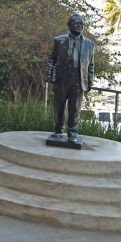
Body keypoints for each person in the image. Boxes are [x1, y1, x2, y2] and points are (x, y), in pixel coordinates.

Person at [47, 13, 95, 144]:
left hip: (78, 81)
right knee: (59, 107)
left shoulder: (89, 44)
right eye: (76, 24)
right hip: (62, 80)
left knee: (75, 109)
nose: (79, 26)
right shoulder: (59, 40)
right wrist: (50, 76)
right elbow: (51, 59)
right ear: (69, 26)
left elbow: (91, 65)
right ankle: (57, 130)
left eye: (81, 24)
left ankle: (72, 134)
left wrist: (89, 81)